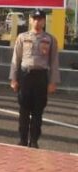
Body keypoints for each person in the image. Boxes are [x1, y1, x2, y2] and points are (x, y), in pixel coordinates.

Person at [9, 10, 60, 149]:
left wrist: (53, 82)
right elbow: (16, 59)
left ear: (44, 21)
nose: (37, 22)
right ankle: (23, 139)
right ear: (30, 20)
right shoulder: (22, 37)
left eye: (40, 19)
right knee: (24, 110)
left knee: (38, 111)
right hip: (25, 77)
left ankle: (34, 140)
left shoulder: (50, 39)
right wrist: (13, 79)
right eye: (35, 19)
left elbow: (54, 62)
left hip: (41, 77)